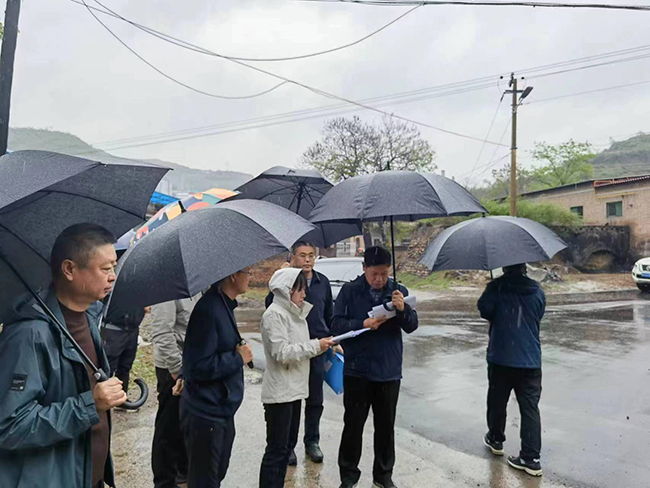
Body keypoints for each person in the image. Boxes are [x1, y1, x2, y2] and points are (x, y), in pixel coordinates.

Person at [0, 223, 127, 488]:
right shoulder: (29, 335)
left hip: (87, 475)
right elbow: (10, 426)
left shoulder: (89, 317)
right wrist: (89, 404)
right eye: (105, 269)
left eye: (114, 267)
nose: (113, 276)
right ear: (69, 269)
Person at [331, 246, 418, 488]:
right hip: (357, 369)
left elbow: (412, 325)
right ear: (364, 269)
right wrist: (363, 324)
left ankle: (383, 476)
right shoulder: (350, 291)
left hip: (388, 370)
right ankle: (348, 477)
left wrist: (402, 310)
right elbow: (336, 325)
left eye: (384, 273)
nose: (379, 279)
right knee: (353, 426)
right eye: (374, 274)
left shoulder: (398, 291)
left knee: (385, 427)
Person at [259, 268, 335, 487]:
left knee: (285, 448)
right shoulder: (274, 315)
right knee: (276, 450)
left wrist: (325, 345)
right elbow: (282, 352)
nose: (304, 294)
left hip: (293, 391)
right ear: (286, 290)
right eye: (300, 290)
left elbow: (301, 347)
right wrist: (316, 346)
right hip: (280, 394)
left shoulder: (295, 314)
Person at [181, 268, 254, 488]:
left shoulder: (223, 304)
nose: (250, 277)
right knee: (204, 481)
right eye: (247, 272)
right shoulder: (208, 310)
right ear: (233, 275)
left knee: (215, 475)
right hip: (206, 413)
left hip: (221, 409)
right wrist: (237, 358)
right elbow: (198, 367)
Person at [478, 263, 546, 477]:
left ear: (505, 268)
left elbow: (484, 310)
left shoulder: (496, 287)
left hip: (501, 357)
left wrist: (492, 289)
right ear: (524, 268)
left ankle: (496, 439)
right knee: (530, 408)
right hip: (530, 360)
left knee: (497, 402)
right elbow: (539, 314)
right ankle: (531, 458)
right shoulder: (537, 291)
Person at [150, 297, 199, 488]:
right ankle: (164, 481)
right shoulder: (166, 291)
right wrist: (177, 369)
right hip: (171, 368)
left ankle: (182, 473)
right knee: (168, 427)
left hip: (191, 364)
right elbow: (161, 331)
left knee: (184, 423)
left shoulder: (197, 287)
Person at [101, 303, 148, 404]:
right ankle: (104, 401)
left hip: (132, 330)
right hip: (112, 328)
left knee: (125, 367)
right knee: (108, 368)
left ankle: (121, 400)